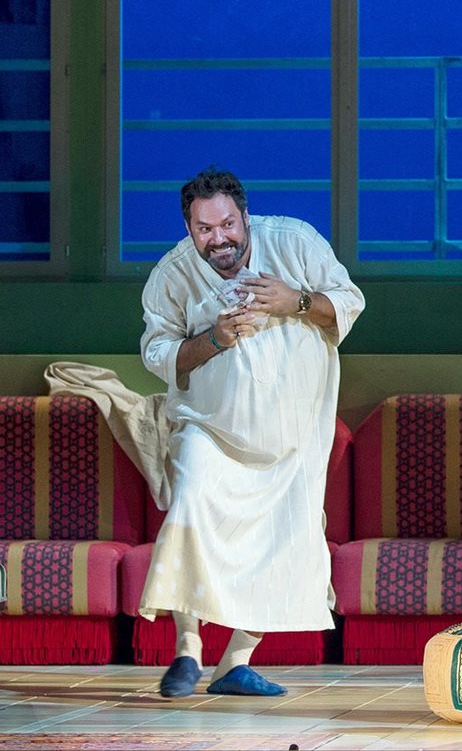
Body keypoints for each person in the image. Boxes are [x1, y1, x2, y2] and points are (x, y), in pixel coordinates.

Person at [138, 168, 365, 699]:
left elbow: (348, 302)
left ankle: (234, 662)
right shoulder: (172, 275)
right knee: (190, 510)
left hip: (293, 437)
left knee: (289, 541)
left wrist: (296, 301)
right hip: (211, 430)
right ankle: (188, 649)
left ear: (244, 216)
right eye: (204, 229)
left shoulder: (295, 242)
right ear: (189, 229)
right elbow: (157, 353)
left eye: (227, 224)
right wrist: (213, 339)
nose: (219, 239)